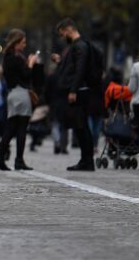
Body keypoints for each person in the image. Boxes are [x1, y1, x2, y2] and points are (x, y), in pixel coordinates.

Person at [0, 29, 42, 172]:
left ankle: (0, 159)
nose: (24, 45)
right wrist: (31, 63)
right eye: (22, 42)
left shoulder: (7, 58)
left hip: (12, 94)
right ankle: (19, 160)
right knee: (21, 128)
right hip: (21, 94)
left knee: (10, 128)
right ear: (15, 43)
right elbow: (26, 75)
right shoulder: (15, 58)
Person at [53, 18, 95, 172]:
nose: (63, 36)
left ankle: (87, 161)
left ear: (69, 29)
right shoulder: (76, 46)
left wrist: (73, 90)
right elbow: (73, 67)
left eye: (63, 33)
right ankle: (85, 160)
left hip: (79, 92)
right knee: (79, 127)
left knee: (81, 126)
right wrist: (60, 62)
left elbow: (80, 69)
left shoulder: (80, 46)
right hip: (78, 90)